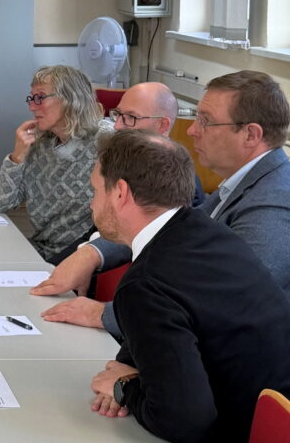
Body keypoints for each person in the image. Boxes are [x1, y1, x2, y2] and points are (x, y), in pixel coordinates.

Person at [84, 129, 290, 443]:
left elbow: (184, 421)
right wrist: (130, 368)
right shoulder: (204, 231)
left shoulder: (146, 283)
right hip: (271, 425)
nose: (91, 203)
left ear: (120, 193)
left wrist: (125, 388)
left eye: (95, 191)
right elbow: (178, 325)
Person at [34, 71, 290, 338]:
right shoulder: (242, 184)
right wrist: (92, 253)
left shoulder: (274, 203)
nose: (191, 130)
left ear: (250, 134)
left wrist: (102, 314)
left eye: (205, 121)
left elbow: (226, 302)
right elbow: (164, 227)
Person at [0, 65, 113, 262]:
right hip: (41, 251)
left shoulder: (107, 141)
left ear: (71, 98)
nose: (32, 107)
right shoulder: (40, 144)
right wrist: (17, 156)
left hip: (83, 256)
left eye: (40, 97)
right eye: (31, 98)